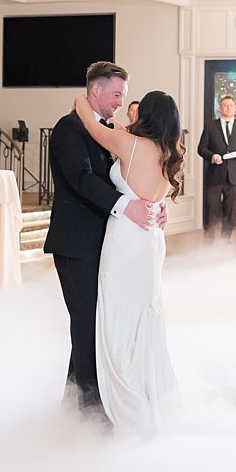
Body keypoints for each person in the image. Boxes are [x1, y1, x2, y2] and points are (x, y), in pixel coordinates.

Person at [44, 61, 165, 422]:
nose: (120, 103)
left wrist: (155, 207)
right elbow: (80, 179)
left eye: (123, 96)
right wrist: (127, 206)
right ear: (95, 90)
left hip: (105, 243)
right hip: (75, 242)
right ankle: (92, 415)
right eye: (116, 95)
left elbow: (131, 175)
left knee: (95, 322)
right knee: (86, 323)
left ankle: (74, 402)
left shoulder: (106, 129)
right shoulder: (68, 128)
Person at [71, 87, 185, 433]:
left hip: (125, 239)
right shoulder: (171, 150)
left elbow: (91, 124)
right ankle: (151, 389)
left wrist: (84, 97)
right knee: (144, 313)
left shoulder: (130, 145)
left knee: (118, 314)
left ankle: (126, 394)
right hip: (151, 238)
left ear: (145, 115)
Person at [197, 93, 236, 241]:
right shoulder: (210, 127)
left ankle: (225, 241)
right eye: (225, 105)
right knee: (210, 210)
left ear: (235, 108)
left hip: (235, 176)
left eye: (231, 106)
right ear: (220, 108)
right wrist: (212, 156)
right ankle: (209, 241)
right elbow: (201, 148)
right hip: (214, 175)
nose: (228, 108)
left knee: (230, 211)